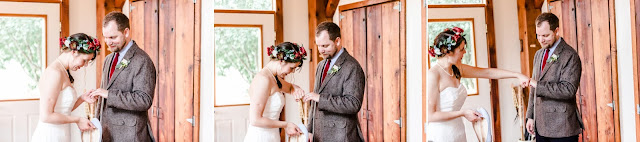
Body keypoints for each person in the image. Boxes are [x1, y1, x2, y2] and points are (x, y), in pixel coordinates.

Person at [426, 27, 530, 142]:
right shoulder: (433, 75)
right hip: (441, 135)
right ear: (448, 52)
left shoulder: (456, 69)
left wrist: (517, 75)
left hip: (458, 132)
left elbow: (487, 72)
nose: (465, 52)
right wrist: (463, 113)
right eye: (461, 49)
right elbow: (430, 115)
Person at [88, 11, 157, 142]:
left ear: (126, 32)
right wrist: (96, 122)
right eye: (105, 37)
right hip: (107, 134)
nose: (108, 42)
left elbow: (144, 100)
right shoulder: (108, 59)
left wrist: (110, 94)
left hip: (131, 136)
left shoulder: (142, 60)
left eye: (113, 37)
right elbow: (104, 94)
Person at [31, 33, 101, 142]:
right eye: (85, 60)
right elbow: (46, 116)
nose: (85, 65)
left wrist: (82, 98)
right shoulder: (55, 73)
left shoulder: (63, 71)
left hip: (61, 135)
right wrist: (77, 120)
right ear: (74, 52)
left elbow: (62, 110)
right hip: (50, 136)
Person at [303, 21, 366, 142]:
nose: (321, 50)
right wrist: (310, 130)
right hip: (319, 136)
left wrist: (321, 99)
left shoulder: (352, 66)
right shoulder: (321, 65)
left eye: (325, 46)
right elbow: (315, 102)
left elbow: (353, 104)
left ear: (337, 41)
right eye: (319, 45)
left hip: (342, 136)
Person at [526, 12, 583, 142]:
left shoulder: (570, 55)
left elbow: (568, 90)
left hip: (563, 128)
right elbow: (533, 89)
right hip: (540, 126)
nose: (541, 40)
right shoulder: (538, 55)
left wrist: (537, 85)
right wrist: (530, 116)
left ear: (556, 31)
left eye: (545, 35)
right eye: (538, 35)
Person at [244, 42, 307, 142]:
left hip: (272, 136)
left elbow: (290, 87)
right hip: (260, 137)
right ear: (281, 61)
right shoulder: (263, 79)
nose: (292, 71)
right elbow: (255, 120)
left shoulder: (274, 77)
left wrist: (296, 90)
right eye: (292, 68)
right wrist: (286, 124)